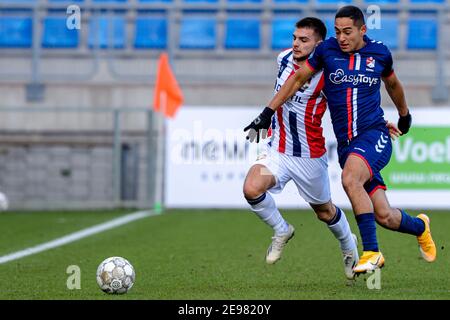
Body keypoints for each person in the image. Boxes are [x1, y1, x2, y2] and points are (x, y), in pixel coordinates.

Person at [244, 6, 436, 275]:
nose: (342, 38)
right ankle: (420, 227)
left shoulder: (379, 53)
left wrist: (405, 116)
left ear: (362, 30)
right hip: (347, 145)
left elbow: (392, 84)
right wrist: (267, 113)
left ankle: (371, 252)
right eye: (337, 32)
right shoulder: (327, 52)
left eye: (348, 32)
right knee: (384, 215)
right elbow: (297, 78)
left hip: (373, 135)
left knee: (349, 179)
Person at [243, 17, 359, 280]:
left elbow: (349, 107)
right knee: (252, 188)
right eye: (294, 38)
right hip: (277, 151)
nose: (296, 44)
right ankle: (282, 229)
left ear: (318, 44)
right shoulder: (283, 59)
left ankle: (348, 246)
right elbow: (283, 93)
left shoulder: (330, 75)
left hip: (309, 156)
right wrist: (266, 116)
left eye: (303, 40)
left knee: (325, 212)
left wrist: (374, 123)